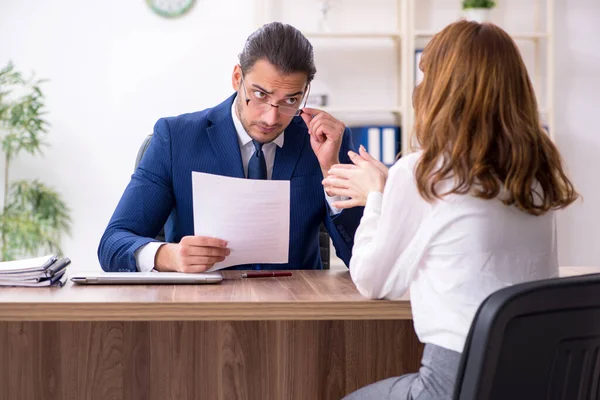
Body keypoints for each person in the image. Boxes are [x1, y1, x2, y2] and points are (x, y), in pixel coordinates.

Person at [323, 20, 579, 399]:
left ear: (444, 90)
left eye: (426, 76)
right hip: (538, 377)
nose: (419, 88)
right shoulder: (536, 174)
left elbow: (374, 281)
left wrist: (378, 196)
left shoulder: (423, 172)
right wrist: (391, 189)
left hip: (456, 383)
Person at [98, 22, 363, 273]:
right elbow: (112, 245)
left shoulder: (324, 143)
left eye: (290, 100)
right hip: (203, 309)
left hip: (294, 310)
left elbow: (363, 258)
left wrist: (331, 170)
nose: (271, 118)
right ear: (237, 78)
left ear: (305, 92)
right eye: (260, 95)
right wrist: (168, 255)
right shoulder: (175, 138)